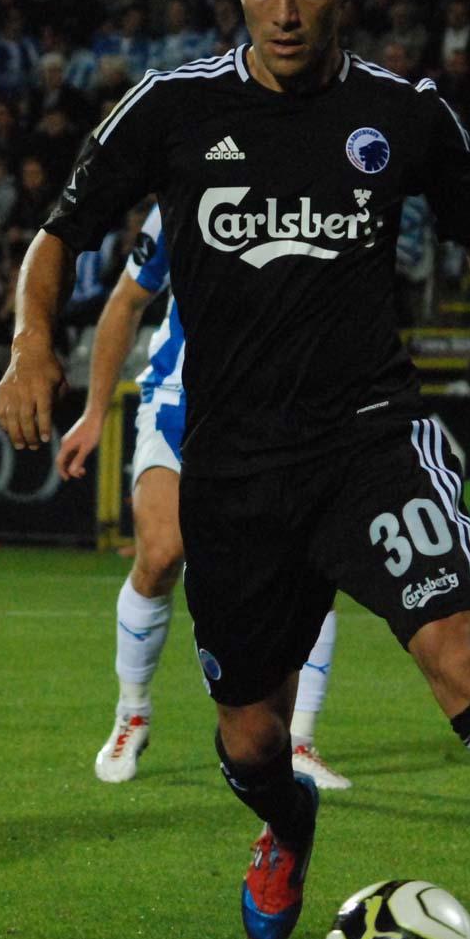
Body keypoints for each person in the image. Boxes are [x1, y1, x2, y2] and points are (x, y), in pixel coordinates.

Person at [0, 0, 470, 939]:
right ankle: (286, 823)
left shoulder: (402, 112)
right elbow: (59, 233)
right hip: (233, 469)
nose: (283, 12)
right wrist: (33, 347)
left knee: (459, 652)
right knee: (249, 735)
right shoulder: (172, 105)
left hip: (372, 441)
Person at [56, 202, 351, 790]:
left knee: (303, 572)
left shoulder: (316, 194)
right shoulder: (183, 198)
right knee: (162, 553)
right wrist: (94, 411)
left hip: (274, 417)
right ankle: (132, 713)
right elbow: (126, 301)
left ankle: (299, 743)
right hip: (178, 404)